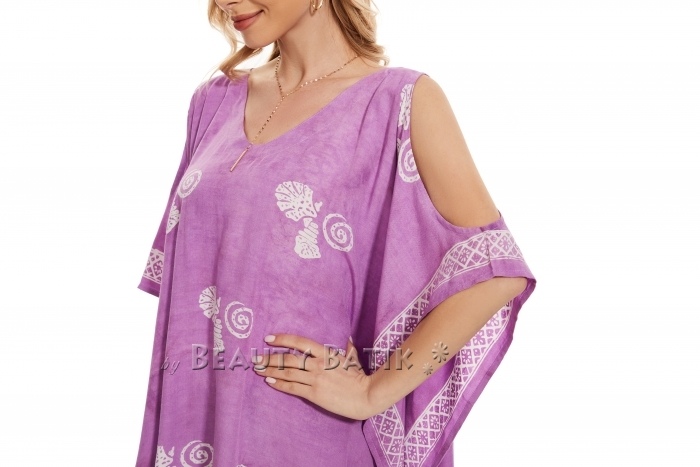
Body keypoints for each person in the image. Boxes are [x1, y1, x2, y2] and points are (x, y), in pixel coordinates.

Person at [136, 0, 537, 466]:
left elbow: (495, 270)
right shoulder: (213, 101)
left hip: (312, 435)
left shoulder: (399, 101)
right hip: (194, 423)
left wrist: (372, 392)